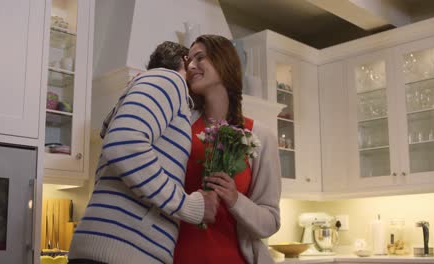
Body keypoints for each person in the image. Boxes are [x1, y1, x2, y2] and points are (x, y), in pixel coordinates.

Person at [68, 41, 219, 264]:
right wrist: (189, 206)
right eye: (193, 60)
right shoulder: (170, 80)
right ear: (182, 63)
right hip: (123, 252)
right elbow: (124, 144)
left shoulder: (157, 88)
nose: (197, 67)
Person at [173, 35, 282, 264]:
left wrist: (235, 199)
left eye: (200, 57)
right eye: (188, 60)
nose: (191, 66)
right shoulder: (180, 128)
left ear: (224, 63)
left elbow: (270, 221)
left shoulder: (261, 137)